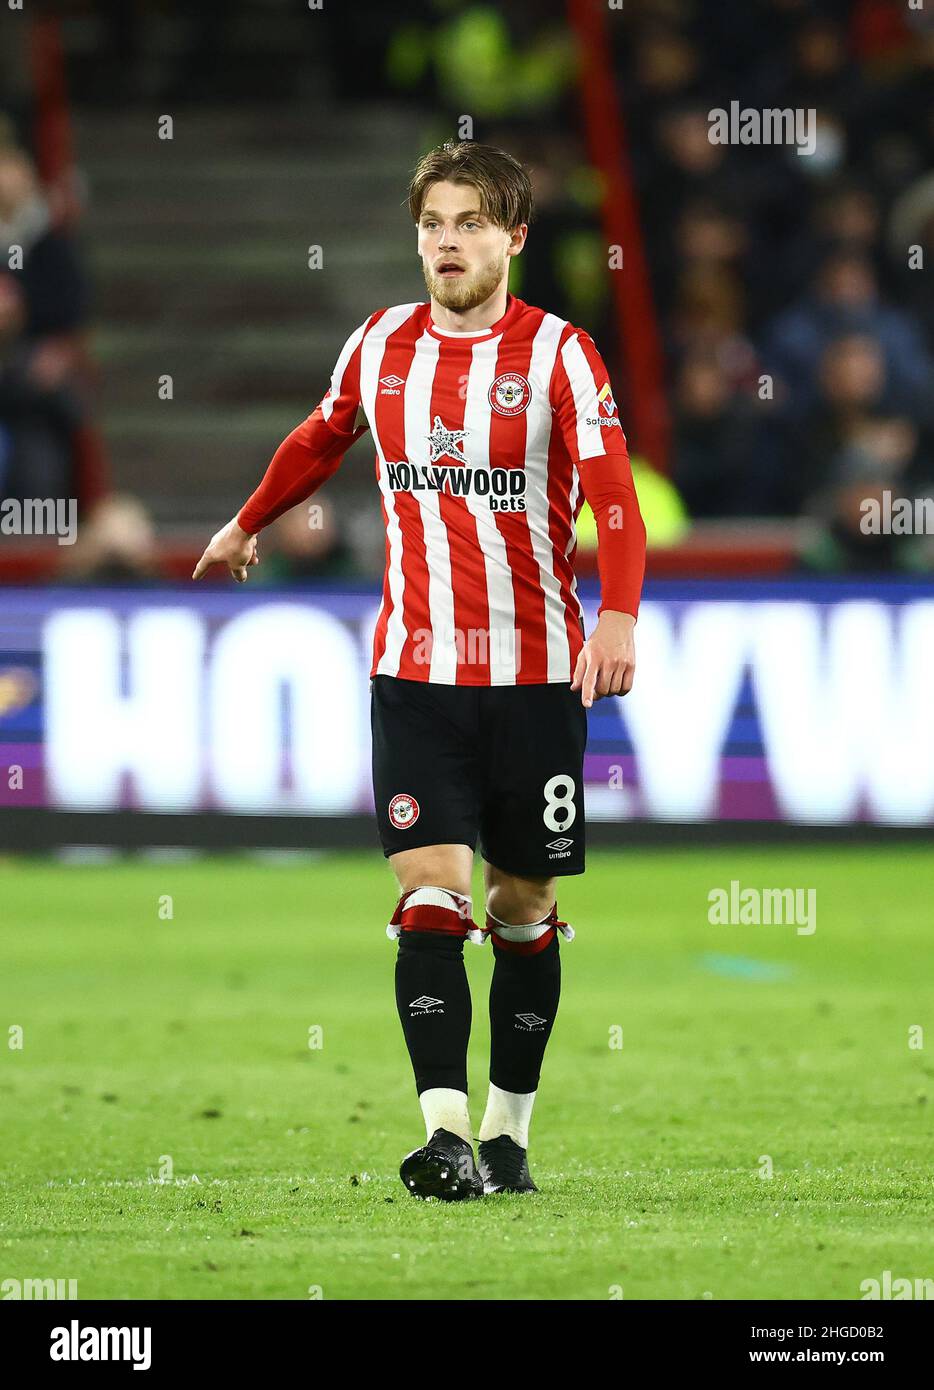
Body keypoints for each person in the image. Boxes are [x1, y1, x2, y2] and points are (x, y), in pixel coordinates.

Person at [193, 140, 646, 1201]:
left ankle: (506, 1137)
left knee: (522, 906)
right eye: (433, 223)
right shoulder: (379, 343)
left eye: (471, 224)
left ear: (514, 237)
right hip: (414, 676)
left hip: (537, 682)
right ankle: (443, 1136)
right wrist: (246, 519)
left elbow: (614, 496)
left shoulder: (561, 357)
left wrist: (616, 614)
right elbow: (322, 435)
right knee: (432, 898)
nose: (447, 242)